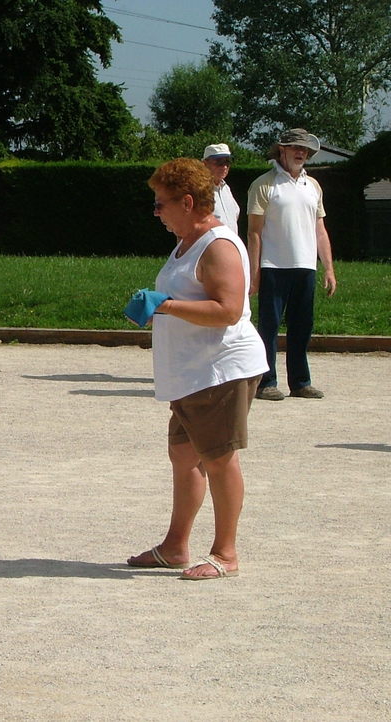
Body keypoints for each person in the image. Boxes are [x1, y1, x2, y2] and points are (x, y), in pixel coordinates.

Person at [125, 158, 268, 580]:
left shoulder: (219, 244)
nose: (157, 212)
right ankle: (175, 546)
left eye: (161, 204)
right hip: (191, 374)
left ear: (187, 202)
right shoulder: (187, 241)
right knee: (184, 456)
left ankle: (226, 553)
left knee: (220, 459)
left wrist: (164, 305)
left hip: (220, 371)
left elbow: (228, 310)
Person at [247, 128, 337, 401]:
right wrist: (255, 273)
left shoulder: (313, 186)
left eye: (305, 150)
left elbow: (320, 229)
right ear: (281, 150)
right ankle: (266, 382)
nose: (301, 153)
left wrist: (329, 268)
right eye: (295, 148)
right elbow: (254, 232)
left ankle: (300, 382)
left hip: (305, 267)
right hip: (274, 266)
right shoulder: (264, 184)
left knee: (302, 326)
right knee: (269, 327)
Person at [203, 143, 239, 230]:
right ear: (205, 164)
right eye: (219, 162)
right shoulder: (199, 190)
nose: (224, 167)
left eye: (227, 162)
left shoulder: (226, 188)